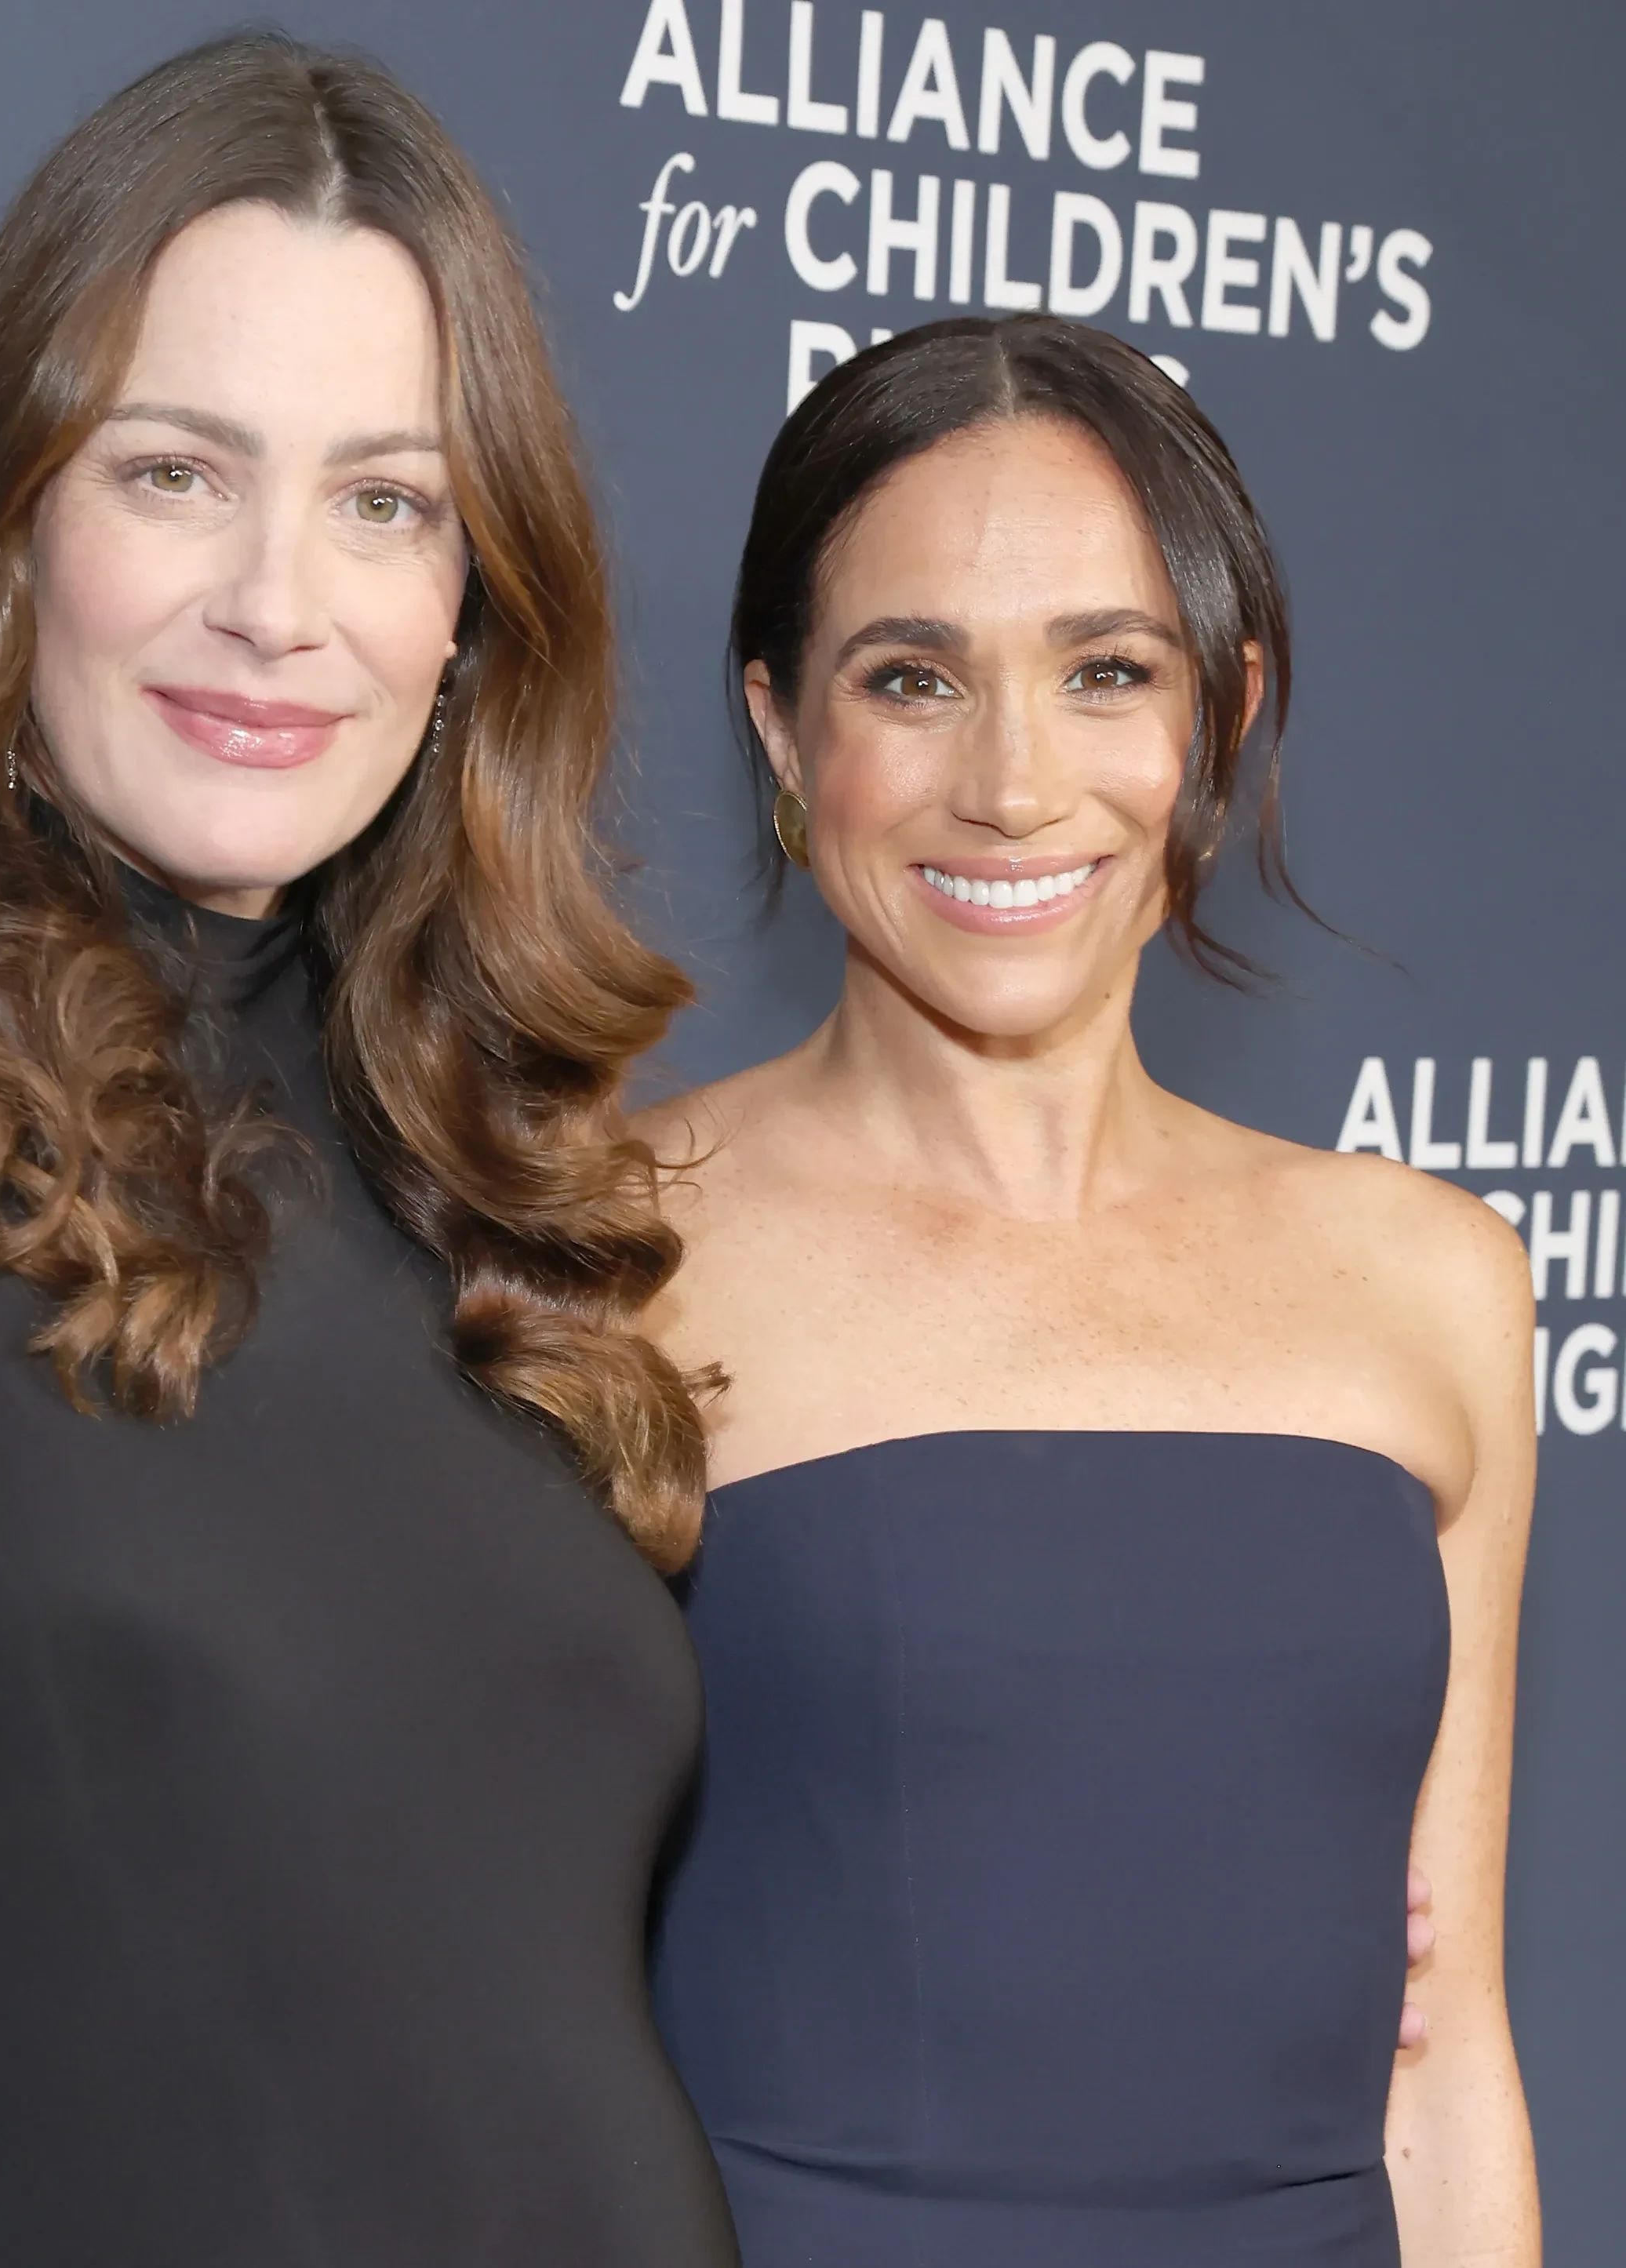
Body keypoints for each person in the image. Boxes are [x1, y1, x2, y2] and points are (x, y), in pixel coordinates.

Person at [0, 33, 741, 2267]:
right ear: (8, 519)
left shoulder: (490, 1208)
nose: (276, 603)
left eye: (384, 502)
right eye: (174, 472)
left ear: (470, 607)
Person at [639, 318, 1539, 2267]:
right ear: (780, 728)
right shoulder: (598, 1258)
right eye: (910, 679)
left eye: (1104, 672)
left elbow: (1444, 2053)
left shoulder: (1432, 1283)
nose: (1012, 783)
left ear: (1221, 713)